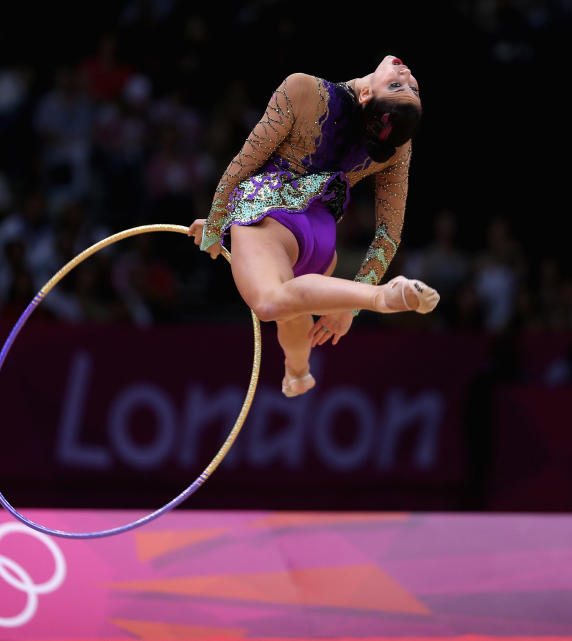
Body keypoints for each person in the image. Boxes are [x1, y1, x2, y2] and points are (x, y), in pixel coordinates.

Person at [188, 55, 439, 397]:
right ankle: (298, 372)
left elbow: (246, 162)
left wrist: (217, 224)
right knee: (291, 313)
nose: (407, 75)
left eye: (399, 85)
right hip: (320, 241)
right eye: (410, 87)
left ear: (367, 96)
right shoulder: (395, 145)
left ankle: (380, 298)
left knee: (269, 301)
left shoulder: (302, 89)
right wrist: (345, 309)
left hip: (269, 210)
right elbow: (388, 237)